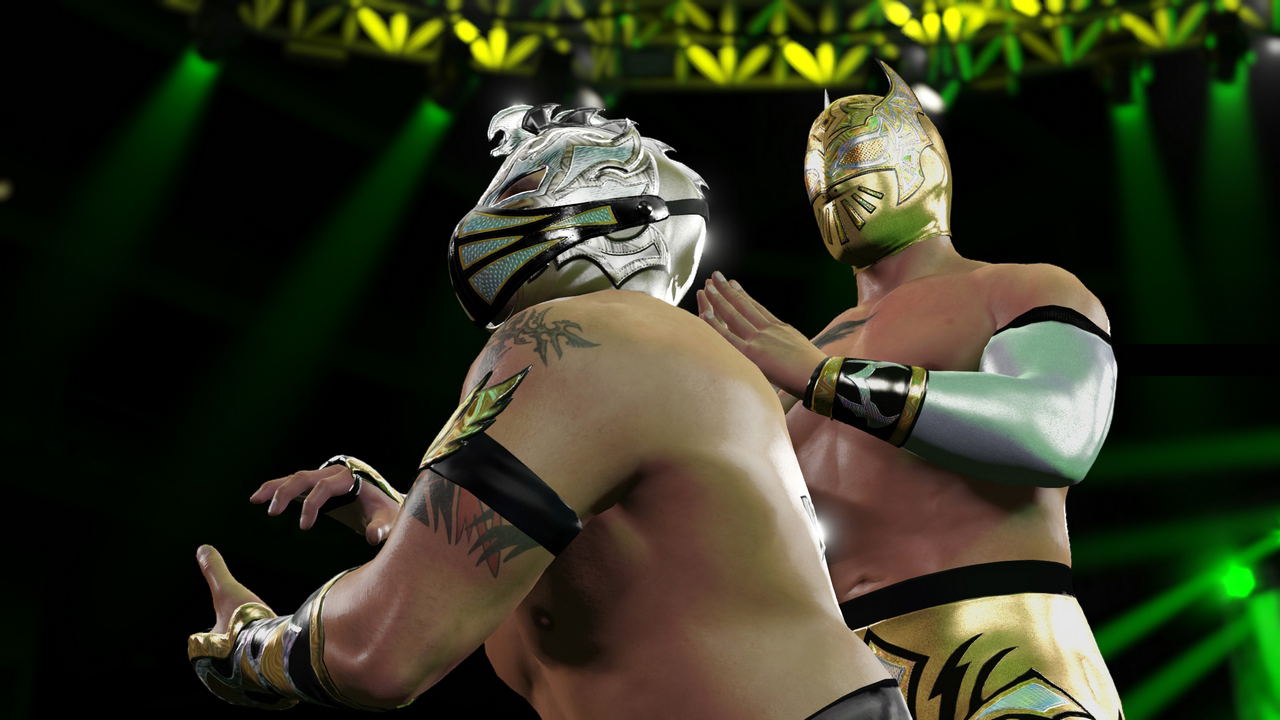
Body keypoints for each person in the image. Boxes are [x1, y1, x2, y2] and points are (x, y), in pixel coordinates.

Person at [188, 104, 910, 719]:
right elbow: (570, 575)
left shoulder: (583, 335)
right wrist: (394, 518)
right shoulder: (649, 363)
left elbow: (382, 652)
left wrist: (251, 642)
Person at [697, 62, 1124, 720]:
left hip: (1002, 648)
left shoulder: (1020, 289)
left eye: (855, 162)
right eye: (819, 175)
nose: (834, 187)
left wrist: (822, 380)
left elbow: (1059, 432)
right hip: (836, 676)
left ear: (924, 164)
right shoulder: (790, 354)